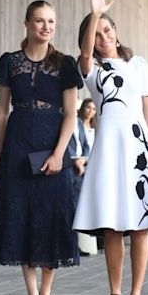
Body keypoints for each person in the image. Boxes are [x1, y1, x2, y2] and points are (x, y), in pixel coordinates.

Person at [72, 0, 148, 295]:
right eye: (97, 31)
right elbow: (86, 54)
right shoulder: (90, 68)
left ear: (116, 30)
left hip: (138, 148)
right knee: (113, 227)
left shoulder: (138, 65)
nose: (103, 35)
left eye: (107, 28)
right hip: (108, 152)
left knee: (140, 226)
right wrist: (95, 12)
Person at [0, 0, 82, 295]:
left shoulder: (65, 64)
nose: (46, 26)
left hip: (53, 147)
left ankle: (47, 294)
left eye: (51, 22)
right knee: (21, 219)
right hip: (17, 147)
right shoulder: (10, 62)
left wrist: (58, 154)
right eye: (40, 21)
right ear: (27, 23)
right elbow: (2, 112)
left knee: (50, 220)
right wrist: (0, 153)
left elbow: (71, 114)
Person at [68, 98, 98, 255]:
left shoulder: (79, 123)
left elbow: (86, 145)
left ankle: (75, 247)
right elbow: (65, 143)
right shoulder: (63, 120)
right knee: (68, 208)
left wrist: (83, 160)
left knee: (77, 209)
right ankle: (70, 247)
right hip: (69, 168)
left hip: (80, 170)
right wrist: (75, 161)